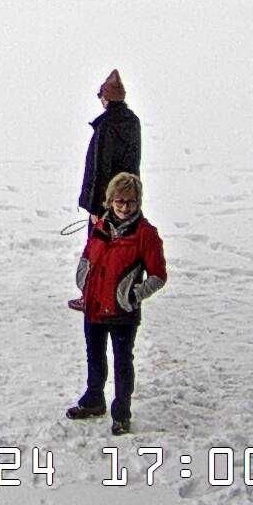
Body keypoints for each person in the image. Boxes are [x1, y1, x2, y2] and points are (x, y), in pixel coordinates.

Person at [66, 171, 167, 435]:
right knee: (94, 357)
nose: (125, 207)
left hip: (123, 313)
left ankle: (121, 412)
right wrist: (83, 280)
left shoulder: (146, 234)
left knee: (123, 362)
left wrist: (133, 295)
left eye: (131, 202)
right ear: (110, 201)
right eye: (120, 201)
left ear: (139, 202)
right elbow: (89, 255)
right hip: (95, 307)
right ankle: (94, 399)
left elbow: (158, 275)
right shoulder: (100, 227)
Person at [77, 69, 140, 218]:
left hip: (106, 202)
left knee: (99, 240)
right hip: (128, 201)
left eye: (101, 96)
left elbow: (100, 169)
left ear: (107, 98)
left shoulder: (105, 125)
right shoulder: (133, 121)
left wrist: (95, 209)